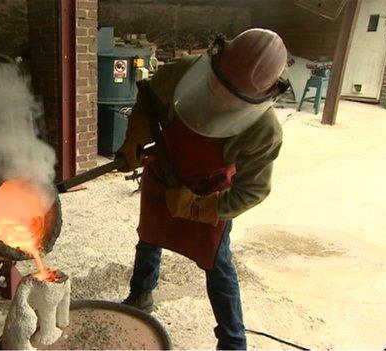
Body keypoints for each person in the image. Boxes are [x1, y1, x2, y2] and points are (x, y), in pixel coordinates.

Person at [116, 28, 289, 350]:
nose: (222, 101)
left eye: (234, 98)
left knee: (217, 261)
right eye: (218, 88)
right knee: (149, 236)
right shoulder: (181, 73)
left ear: (264, 95)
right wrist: (134, 139)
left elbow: (251, 191)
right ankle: (141, 295)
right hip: (163, 170)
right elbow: (148, 102)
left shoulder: (263, 131)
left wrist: (196, 207)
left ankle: (233, 341)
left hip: (209, 190)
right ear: (215, 58)